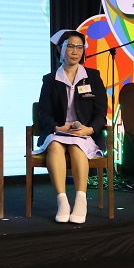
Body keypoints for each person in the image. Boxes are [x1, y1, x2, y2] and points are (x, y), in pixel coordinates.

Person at [36, 29, 107, 223]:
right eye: (70, 47)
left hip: (84, 133)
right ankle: (63, 201)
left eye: (79, 47)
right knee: (54, 146)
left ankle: (81, 201)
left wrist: (89, 129)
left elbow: (101, 111)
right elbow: (44, 112)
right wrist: (57, 128)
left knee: (77, 147)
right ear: (60, 49)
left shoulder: (93, 76)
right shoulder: (50, 79)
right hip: (59, 132)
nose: (75, 51)